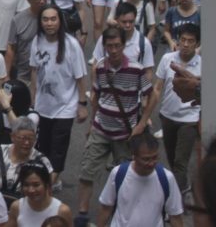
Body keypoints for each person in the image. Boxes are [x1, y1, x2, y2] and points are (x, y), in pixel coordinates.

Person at [74, 26, 155, 224]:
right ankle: (82, 214)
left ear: (123, 45)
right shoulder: (100, 67)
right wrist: (93, 123)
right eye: (110, 46)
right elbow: (96, 95)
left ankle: (121, 212)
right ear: (104, 46)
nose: (114, 50)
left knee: (126, 176)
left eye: (117, 45)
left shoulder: (136, 69)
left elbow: (151, 95)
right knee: (87, 171)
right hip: (101, 128)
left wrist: (142, 123)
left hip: (125, 133)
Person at [29, 4, 88, 184]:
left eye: (53, 19)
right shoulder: (37, 40)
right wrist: (33, 103)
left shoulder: (71, 45)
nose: (49, 23)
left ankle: (48, 185)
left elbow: (80, 77)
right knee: (42, 148)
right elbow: (34, 72)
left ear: (60, 21)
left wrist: (82, 104)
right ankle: (49, 180)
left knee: (58, 148)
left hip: (66, 106)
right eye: (45, 19)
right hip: (43, 106)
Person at [95, 132, 185, 227]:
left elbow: (175, 216)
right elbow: (106, 208)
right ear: (134, 156)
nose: (151, 163)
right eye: (146, 159)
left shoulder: (167, 178)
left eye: (154, 157)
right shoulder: (118, 174)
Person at [153, 22, 201, 191]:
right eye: (183, 40)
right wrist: (147, 115)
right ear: (178, 40)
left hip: (190, 119)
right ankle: (183, 187)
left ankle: (176, 203)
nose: (186, 44)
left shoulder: (204, 64)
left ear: (197, 43)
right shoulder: (167, 59)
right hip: (167, 116)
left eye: (191, 41)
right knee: (173, 159)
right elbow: (157, 88)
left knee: (181, 162)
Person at [0, 116, 54, 203]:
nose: (27, 143)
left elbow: (48, 192)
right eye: (22, 138)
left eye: (31, 139)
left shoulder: (42, 162)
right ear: (12, 137)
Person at [5, 161, 72, 227]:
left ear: (47, 185)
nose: (31, 190)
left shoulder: (62, 211)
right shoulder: (17, 207)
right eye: (26, 185)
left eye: (36, 185)